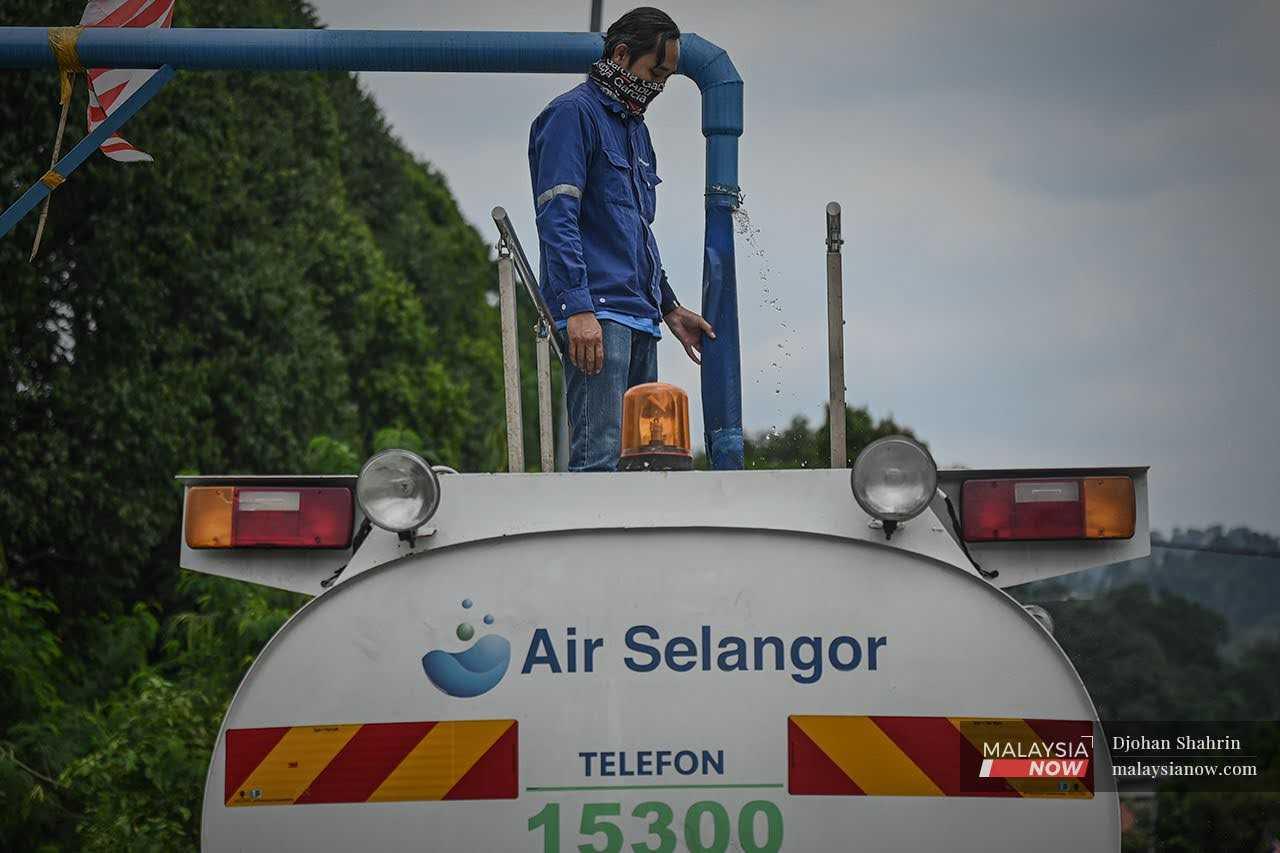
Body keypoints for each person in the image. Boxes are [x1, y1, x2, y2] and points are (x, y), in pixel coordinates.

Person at [529, 6, 713, 471]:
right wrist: (579, 307)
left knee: (643, 463)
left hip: (639, 319)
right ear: (621, 54)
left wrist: (668, 306)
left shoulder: (636, 131)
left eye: (668, 78)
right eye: (655, 72)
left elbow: (635, 231)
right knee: (600, 461)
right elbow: (558, 218)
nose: (658, 87)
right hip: (598, 317)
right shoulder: (571, 116)